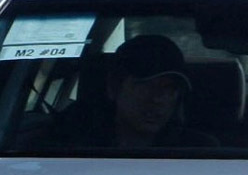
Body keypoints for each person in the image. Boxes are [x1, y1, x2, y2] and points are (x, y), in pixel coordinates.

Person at [45, 35, 215, 148]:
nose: (157, 99)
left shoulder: (199, 151)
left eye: (169, 88)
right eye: (145, 86)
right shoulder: (66, 145)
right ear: (114, 88)